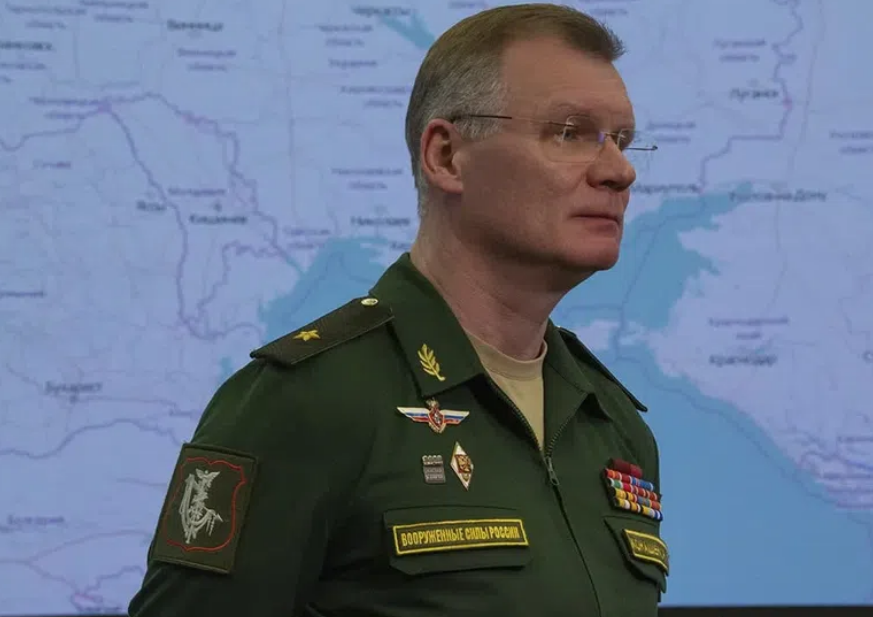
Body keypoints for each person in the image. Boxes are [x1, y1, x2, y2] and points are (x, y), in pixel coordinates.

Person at [128, 3, 667, 616]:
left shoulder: (613, 425)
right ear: (447, 156)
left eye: (623, 141)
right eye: (569, 132)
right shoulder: (309, 402)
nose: (620, 171)